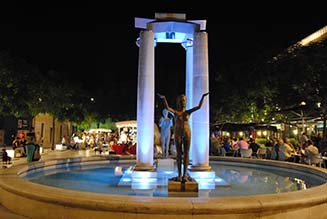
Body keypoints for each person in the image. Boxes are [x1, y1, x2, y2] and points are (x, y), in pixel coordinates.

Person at [158, 92, 209, 182]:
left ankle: (184, 175)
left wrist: (203, 97)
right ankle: (179, 174)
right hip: (178, 132)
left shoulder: (188, 112)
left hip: (187, 132)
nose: (183, 102)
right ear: (179, 102)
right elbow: (167, 108)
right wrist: (164, 98)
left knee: (186, 153)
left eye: (184, 100)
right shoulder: (176, 112)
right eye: (182, 101)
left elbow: (199, 107)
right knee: (179, 154)